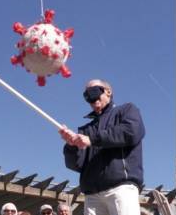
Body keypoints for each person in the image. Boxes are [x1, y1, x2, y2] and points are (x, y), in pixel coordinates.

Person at [59, 79, 145, 215]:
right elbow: (76, 165)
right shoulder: (85, 130)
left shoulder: (126, 110)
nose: (90, 98)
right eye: (86, 96)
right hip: (92, 196)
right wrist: (71, 146)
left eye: (93, 92)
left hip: (120, 189)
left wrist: (92, 139)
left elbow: (131, 132)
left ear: (108, 92)